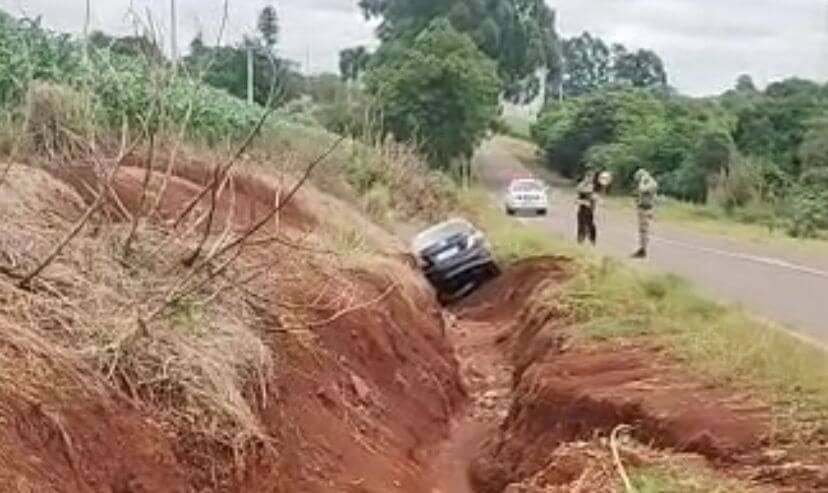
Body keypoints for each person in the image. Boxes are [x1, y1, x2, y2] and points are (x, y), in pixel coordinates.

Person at [632, 168, 658, 259]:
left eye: (639, 178)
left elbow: (642, 189)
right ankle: (642, 248)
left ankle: (643, 250)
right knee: (642, 230)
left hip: (646, 208)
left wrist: (642, 180)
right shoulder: (647, 183)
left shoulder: (651, 183)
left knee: (644, 230)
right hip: (642, 207)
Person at [576, 170, 598, 245]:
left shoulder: (593, 186)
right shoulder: (581, 186)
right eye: (589, 177)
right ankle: (581, 240)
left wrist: (595, 199)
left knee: (591, 225)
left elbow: (594, 197)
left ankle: (592, 240)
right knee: (581, 225)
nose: (590, 179)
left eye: (592, 178)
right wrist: (584, 202)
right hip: (582, 209)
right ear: (586, 177)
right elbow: (577, 199)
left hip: (590, 210)